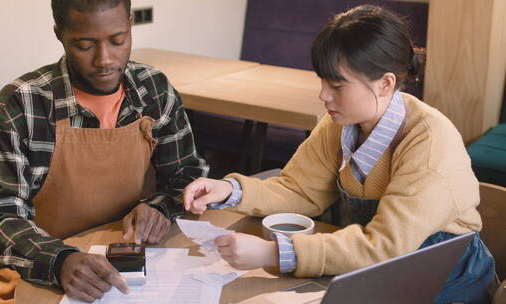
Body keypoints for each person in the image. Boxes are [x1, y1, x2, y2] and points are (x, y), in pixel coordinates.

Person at [183, 5, 497, 304]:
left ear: (385, 83)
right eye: (322, 81)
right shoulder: (341, 124)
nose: (323, 95)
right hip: (383, 272)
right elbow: (300, 189)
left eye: (337, 85)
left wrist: (274, 253)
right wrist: (229, 190)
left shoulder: (429, 143)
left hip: (449, 283)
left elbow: (385, 246)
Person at [0, 0, 208, 303]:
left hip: (129, 267)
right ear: (60, 34)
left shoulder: (154, 90)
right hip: (43, 276)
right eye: (85, 45)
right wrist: (59, 261)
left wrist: (160, 207)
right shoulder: (21, 106)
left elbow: (186, 176)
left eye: (118, 40)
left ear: (130, 23)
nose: (105, 60)